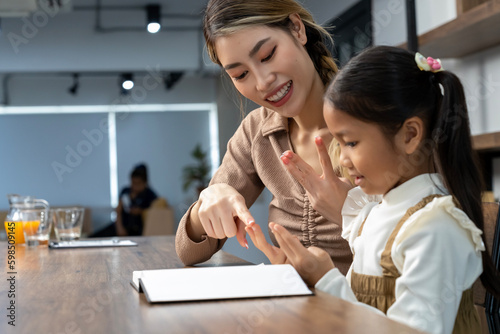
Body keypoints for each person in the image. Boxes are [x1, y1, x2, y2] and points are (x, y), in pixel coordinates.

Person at [246, 45, 500, 334]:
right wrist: (302, 278)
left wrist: (326, 280)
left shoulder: (436, 228)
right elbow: (361, 308)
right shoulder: (378, 213)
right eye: (338, 144)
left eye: (351, 143)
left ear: (410, 135)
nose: (342, 159)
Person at [175, 0, 353, 274]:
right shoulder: (257, 131)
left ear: (296, 29)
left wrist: (352, 212)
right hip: (295, 310)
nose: (262, 82)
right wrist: (207, 203)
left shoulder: (369, 114)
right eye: (241, 74)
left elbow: (424, 235)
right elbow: (189, 251)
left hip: (370, 310)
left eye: (268, 55)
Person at [92, 164, 157, 237]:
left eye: (138, 183)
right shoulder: (126, 191)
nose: (135, 186)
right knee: (94, 237)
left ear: (145, 183)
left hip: (137, 230)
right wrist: (119, 228)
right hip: (120, 226)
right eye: (133, 183)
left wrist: (141, 211)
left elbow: (156, 211)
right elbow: (118, 210)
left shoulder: (149, 194)